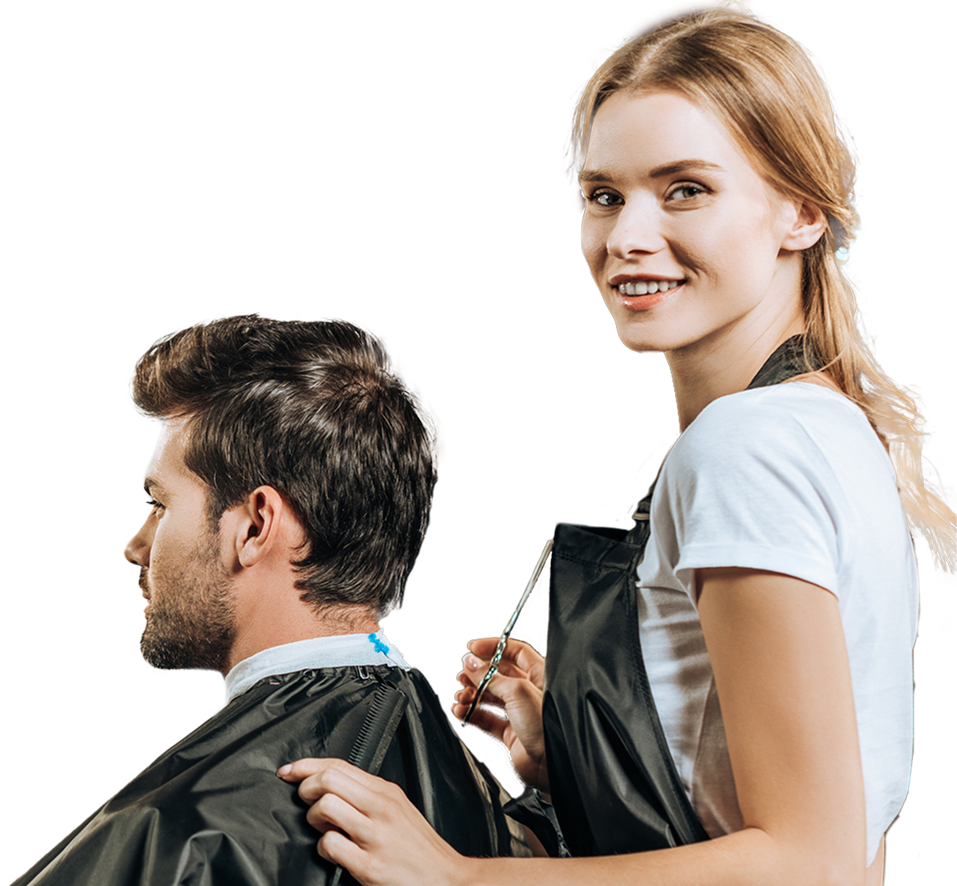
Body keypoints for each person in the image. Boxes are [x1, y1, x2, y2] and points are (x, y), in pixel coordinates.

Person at [278, 4, 957, 885]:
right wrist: (570, 754)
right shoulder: (820, 424)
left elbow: (813, 862)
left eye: (685, 189)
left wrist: (458, 877)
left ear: (798, 212)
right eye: (605, 195)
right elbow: (789, 813)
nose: (626, 238)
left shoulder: (745, 447)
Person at [14, 310, 533, 885]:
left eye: (159, 505)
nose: (136, 545)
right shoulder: (501, 812)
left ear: (256, 525)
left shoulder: (180, 836)